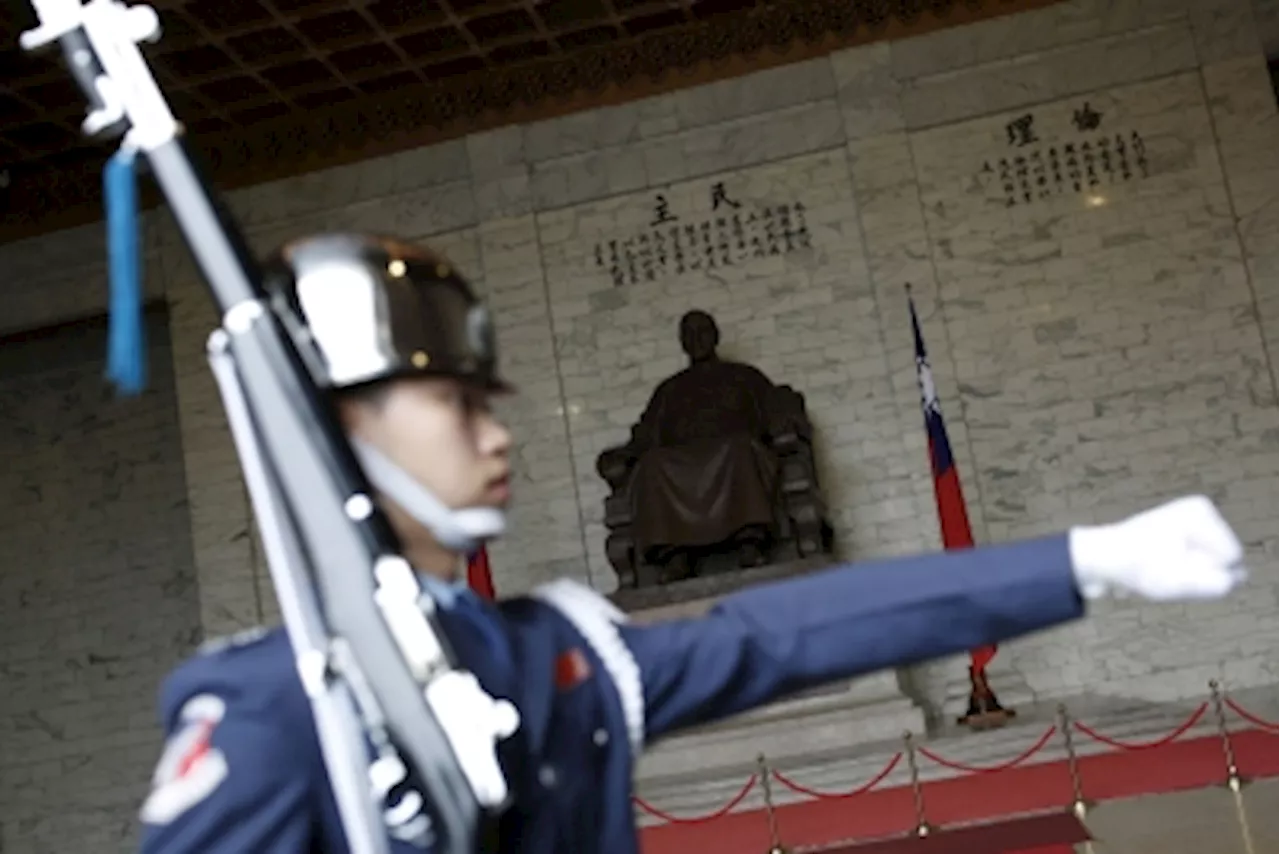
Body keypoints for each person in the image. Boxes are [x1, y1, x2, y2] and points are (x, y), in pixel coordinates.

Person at [136, 233, 1247, 854]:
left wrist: (1077, 561)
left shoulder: (554, 654)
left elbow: (780, 630)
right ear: (338, 439)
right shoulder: (275, 713)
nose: (494, 429)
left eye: (488, 397)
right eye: (450, 403)